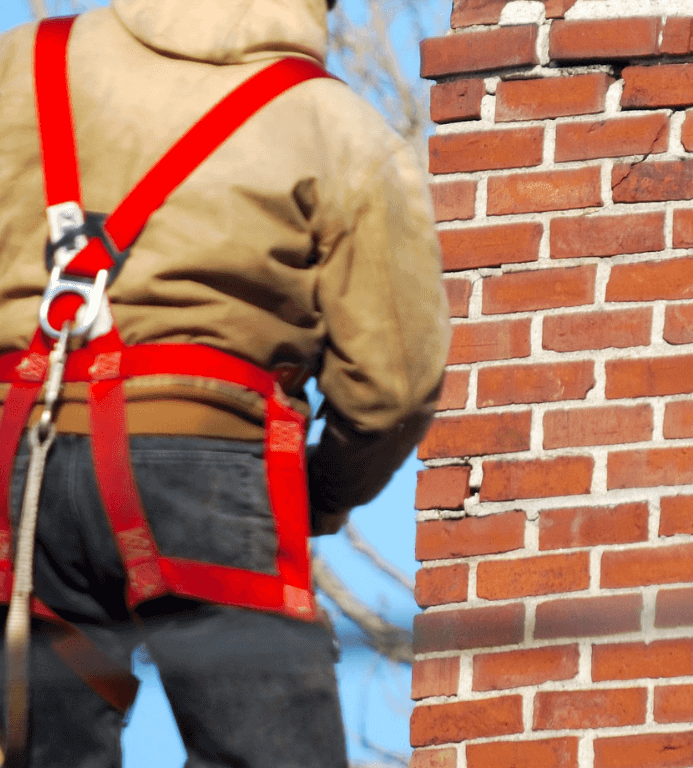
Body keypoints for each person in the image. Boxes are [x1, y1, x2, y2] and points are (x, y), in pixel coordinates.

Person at [0, 0, 449, 765]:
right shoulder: (332, 126)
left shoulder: (20, 65)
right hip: (203, 467)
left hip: (20, 465)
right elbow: (393, 385)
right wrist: (328, 492)